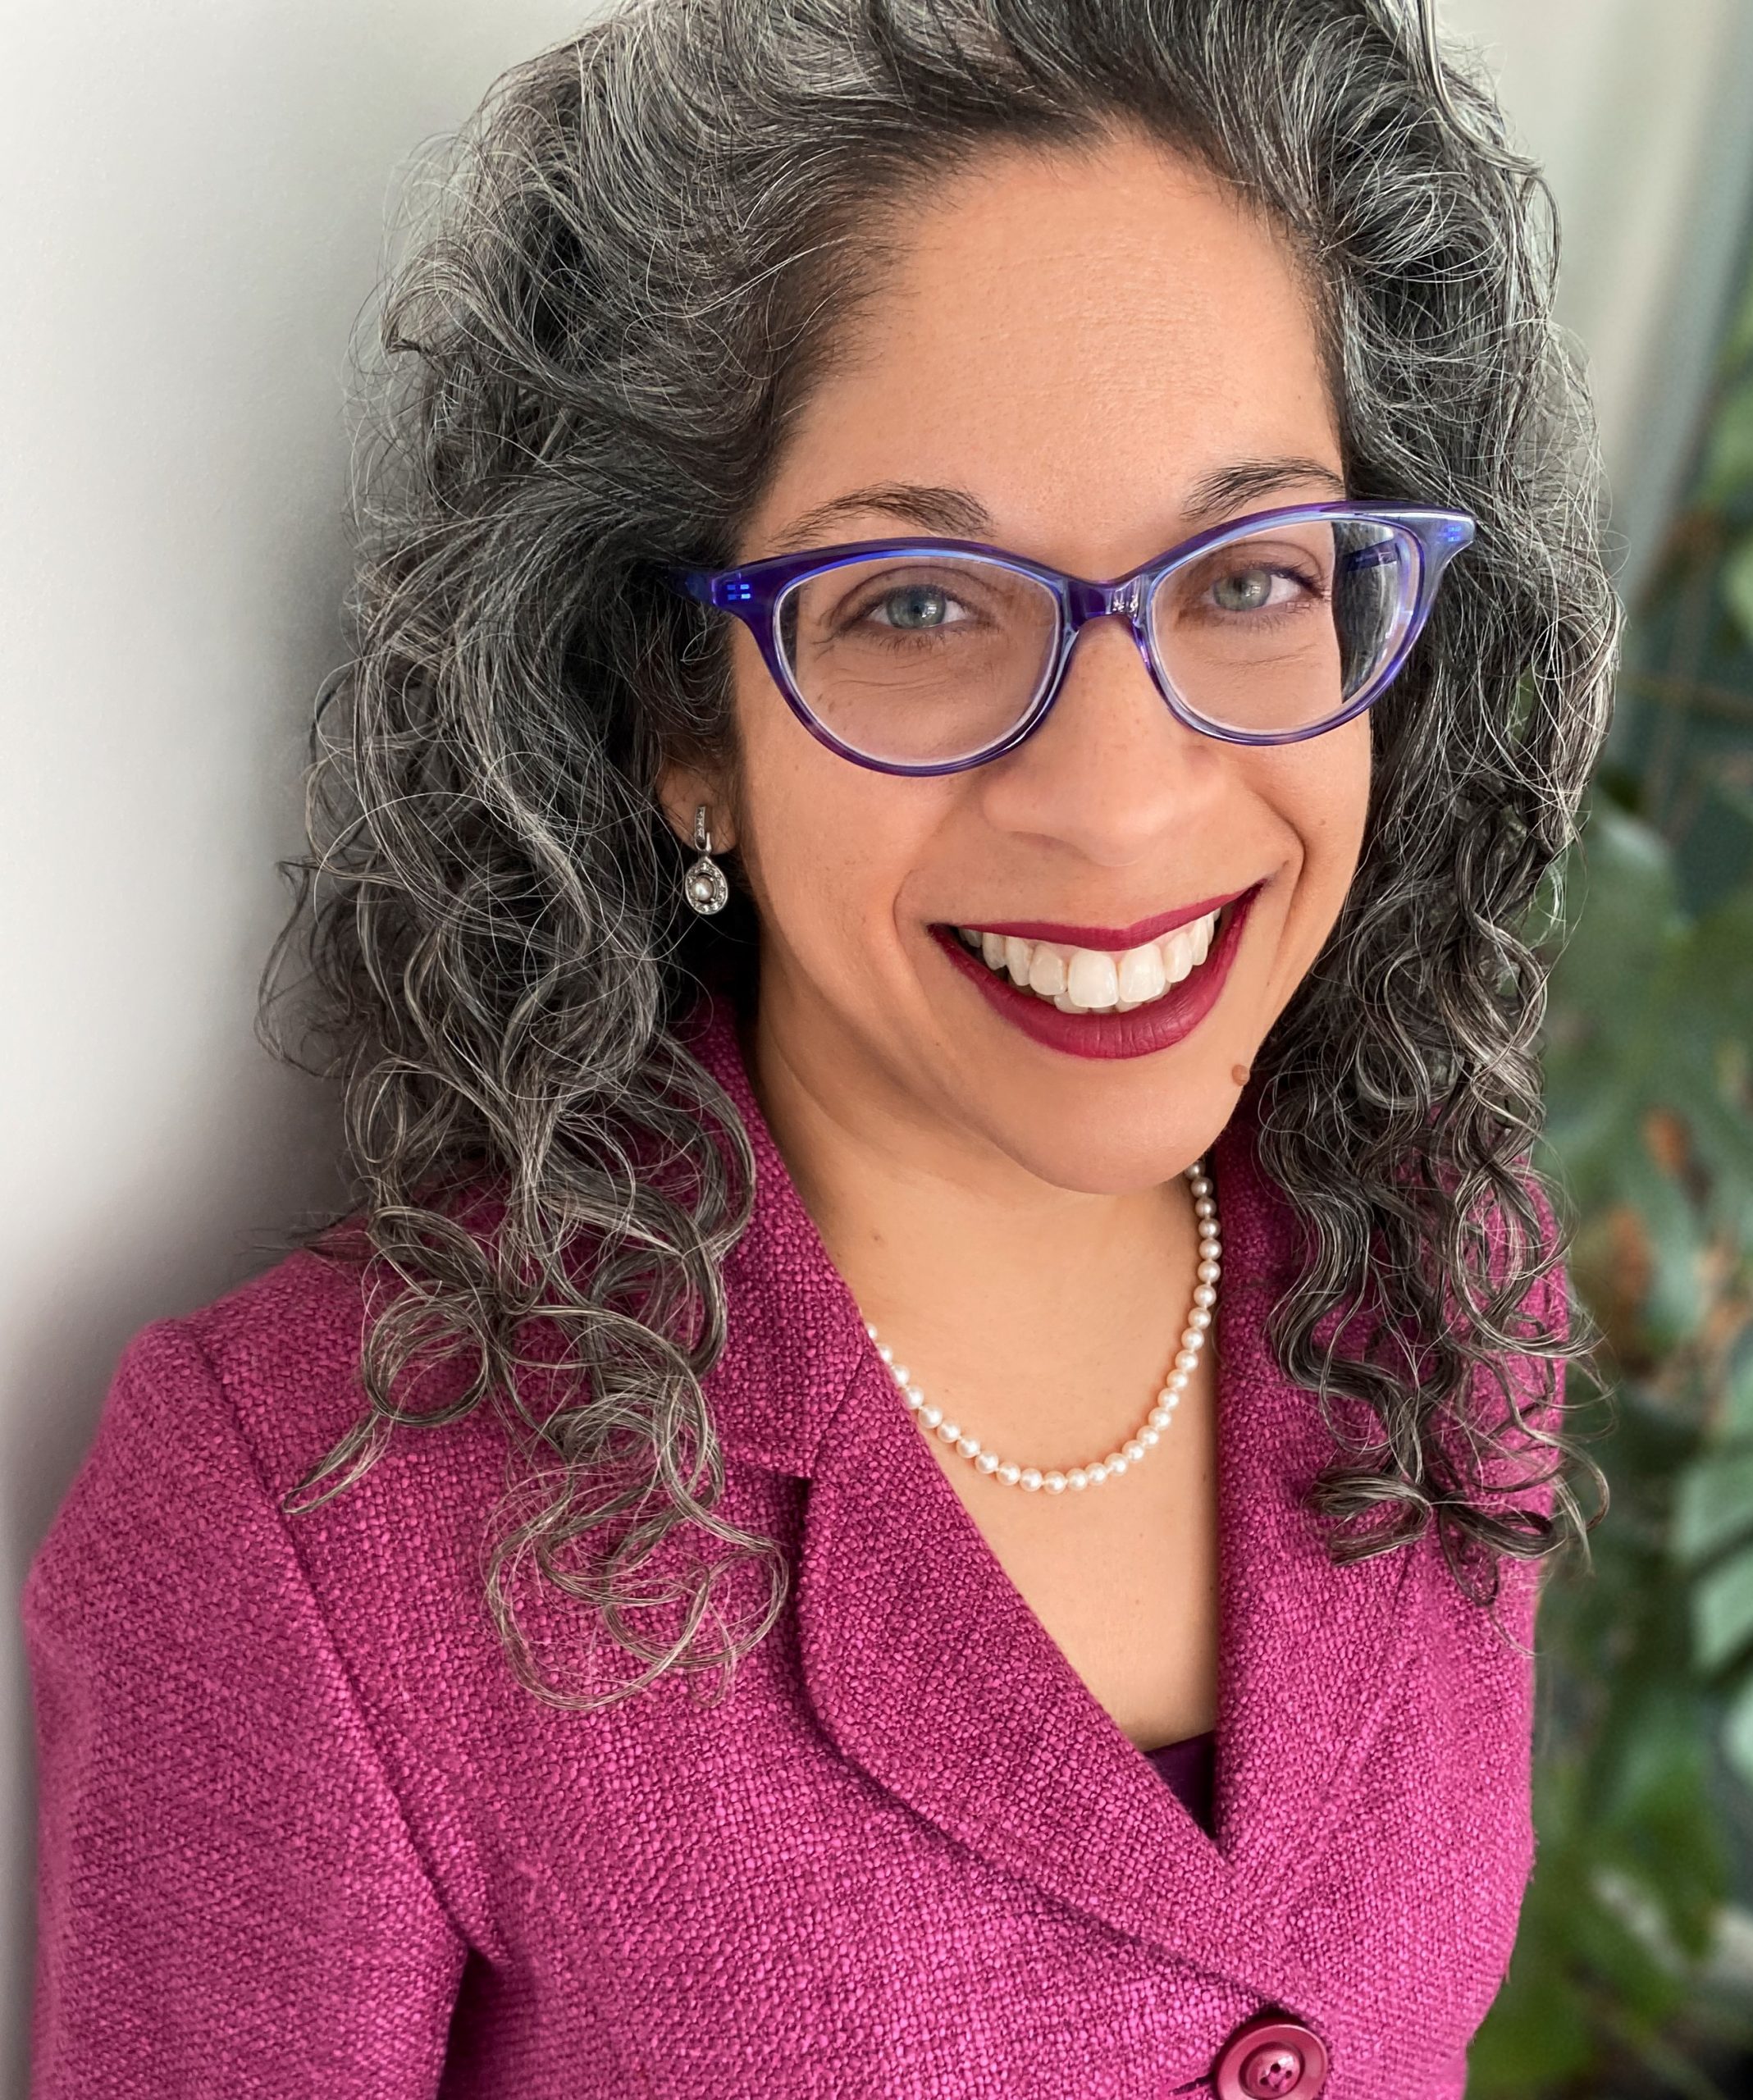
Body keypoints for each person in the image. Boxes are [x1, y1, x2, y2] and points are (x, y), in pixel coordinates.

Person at [21, 0, 1618, 2093]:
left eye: (1249, 573)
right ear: (682, 719)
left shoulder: (1444, 1281)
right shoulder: (319, 1524)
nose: (1121, 803)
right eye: (919, 605)